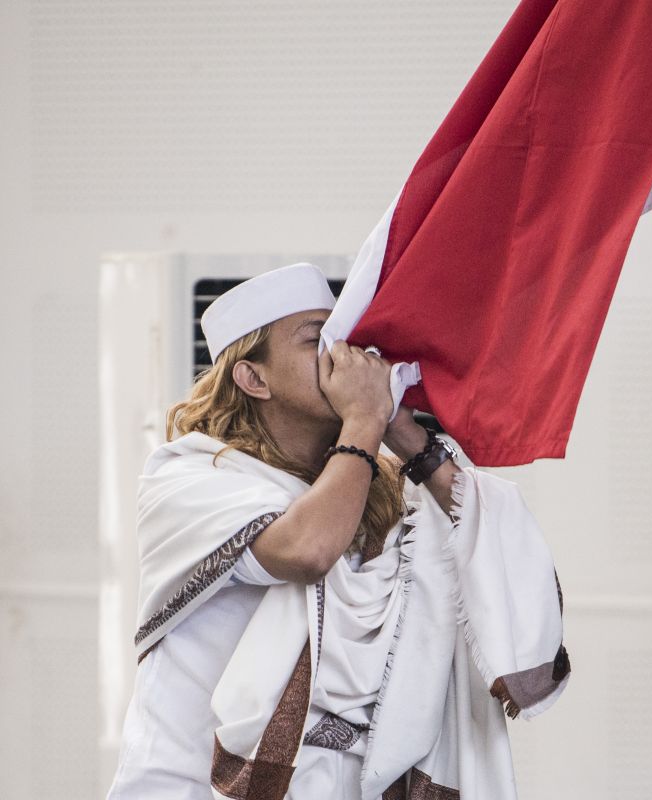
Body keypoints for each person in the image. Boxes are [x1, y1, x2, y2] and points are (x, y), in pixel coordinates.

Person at [106, 263, 570, 800]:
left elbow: (497, 561)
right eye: (314, 340)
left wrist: (404, 436)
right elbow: (307, 549)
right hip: (191, 786)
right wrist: (364, 423)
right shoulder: (190, 477)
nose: (340, 357)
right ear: (253, 378)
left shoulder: (380, 494)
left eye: (341, 338)